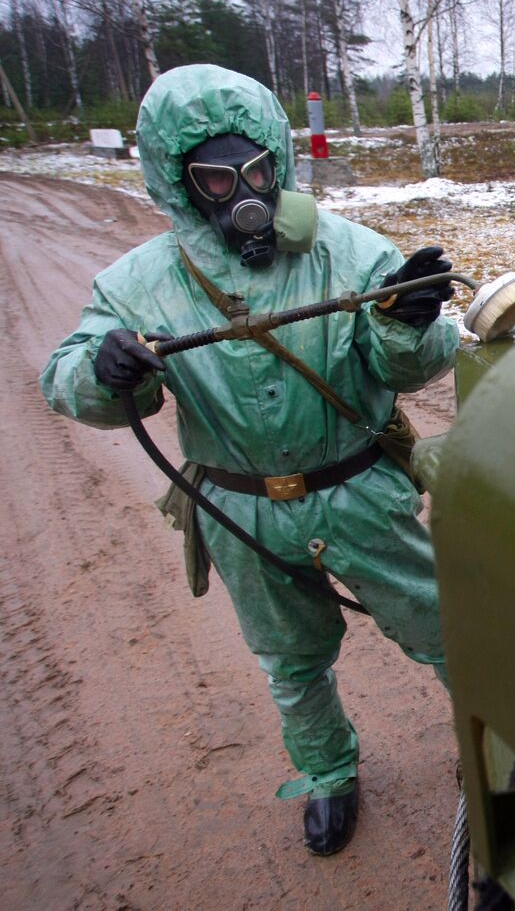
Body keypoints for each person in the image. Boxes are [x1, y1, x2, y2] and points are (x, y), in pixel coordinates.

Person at [41, 64, 458, 857]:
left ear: (280, 161)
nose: (245, 192)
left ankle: (497, 749)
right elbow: (63, 377)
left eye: (258, 170)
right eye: (214, 178)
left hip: (359, 490)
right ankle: (328, 775)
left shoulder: (349, 251)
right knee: (291, 663)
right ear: (177, 180)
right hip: (241, 507)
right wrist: (104, 370)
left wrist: (407, 321)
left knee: (445, 628)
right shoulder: (137, 285)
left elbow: (416, 364)